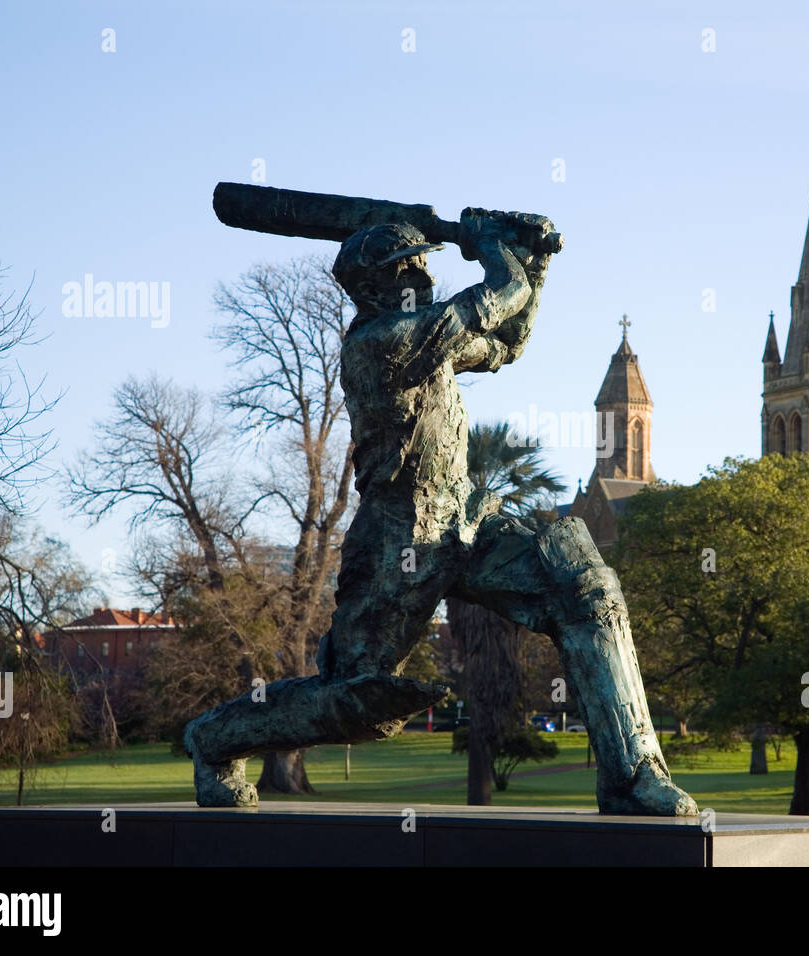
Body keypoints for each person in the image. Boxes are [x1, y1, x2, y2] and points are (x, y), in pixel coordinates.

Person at [185, 209, 696, 815]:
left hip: (465, 520)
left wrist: (535, 263)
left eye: (425, 264)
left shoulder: (428, 342)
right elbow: (493, 299)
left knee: (586, 588)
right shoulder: (381, 343)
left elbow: (506, 342)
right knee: (356, 702)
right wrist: (491, 247)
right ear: (373, 286)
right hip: (400, 540)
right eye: (409, 268)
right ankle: (214, 741)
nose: (424, 275)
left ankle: (632, 777)